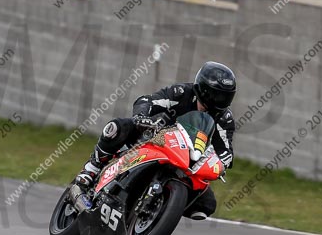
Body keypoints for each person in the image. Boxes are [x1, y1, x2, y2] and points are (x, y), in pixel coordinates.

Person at [73, 62, 238, 220]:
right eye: (215, 94)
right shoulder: (181, 93)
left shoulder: (225, 119)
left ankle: (161, 208)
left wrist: (220, 164)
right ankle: (91, 169)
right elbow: (147, 101)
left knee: (206, 205)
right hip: (156, 138)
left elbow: (225, 151)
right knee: (117, 127)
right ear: (202, 88)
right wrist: (141, 117)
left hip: (187, 158)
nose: (218, 100)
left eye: (224, 97)